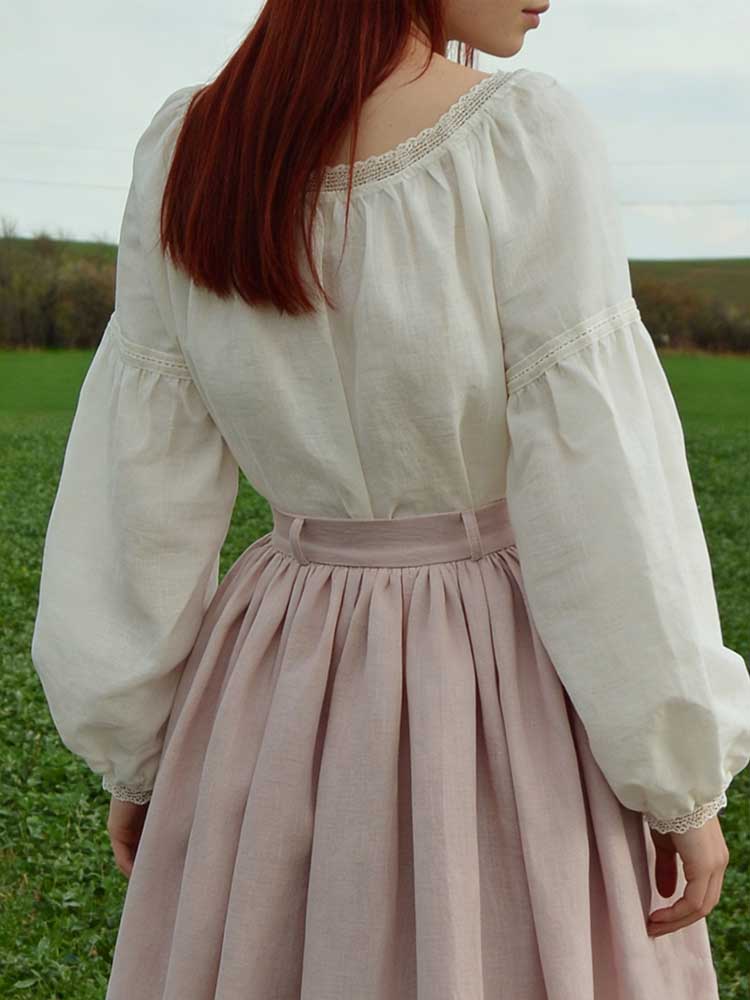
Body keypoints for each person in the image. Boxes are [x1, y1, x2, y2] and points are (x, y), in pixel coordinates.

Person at [30, 0, 750, 997]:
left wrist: (142, 750)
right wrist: (678, 779)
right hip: (498, 678)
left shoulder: (190, 150)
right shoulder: (521, 136)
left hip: (274, 679)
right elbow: (601, 489)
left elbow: (139, 489)